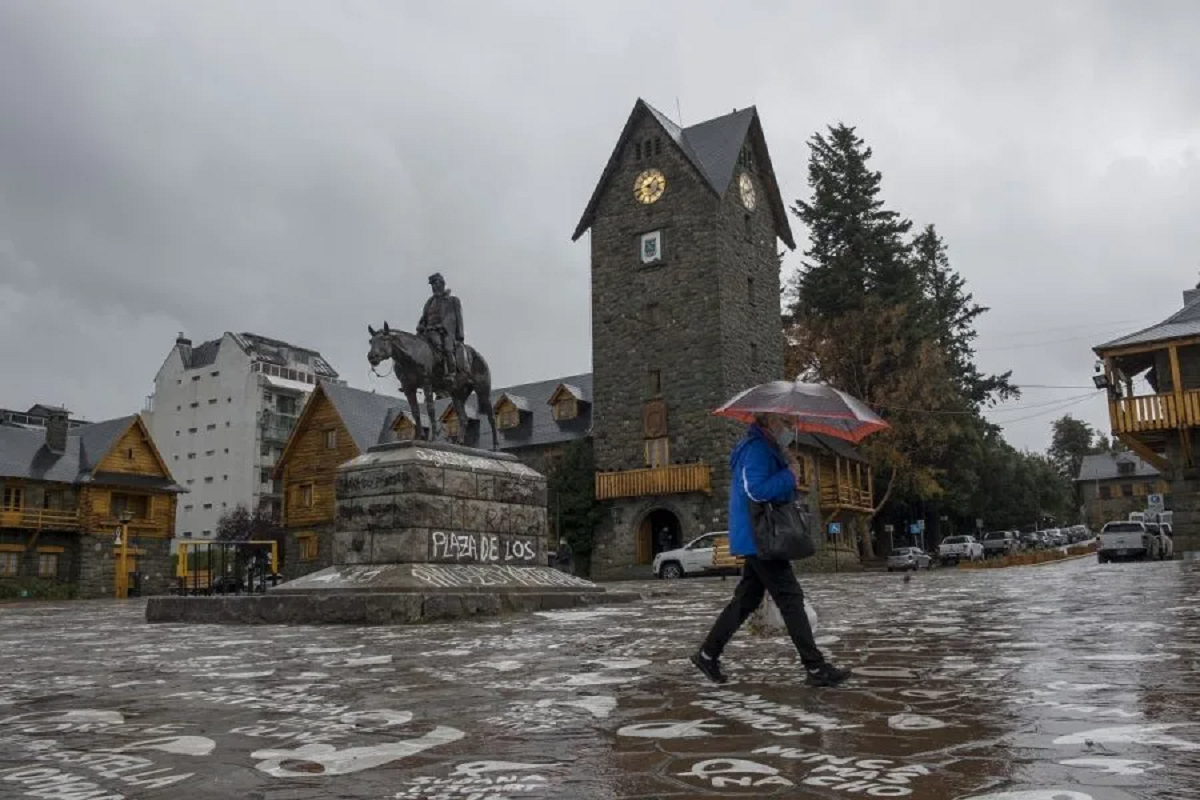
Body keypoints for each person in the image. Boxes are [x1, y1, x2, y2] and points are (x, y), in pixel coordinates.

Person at [691, 412, 853, 688]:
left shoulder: (766, 447)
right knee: (790, 598)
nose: (791, 427)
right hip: (761, 537)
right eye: (787, 422)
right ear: (769, 421)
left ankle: (708, 653)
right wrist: (788, 476)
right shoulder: (756, 449)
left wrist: (787, 466)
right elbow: (755, 490)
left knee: (746, 599)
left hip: (758, 535)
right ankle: (814, 667)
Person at [416, 272, 464, 380]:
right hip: (428, 332)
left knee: (447, 349)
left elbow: (458, 318)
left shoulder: (453, 300)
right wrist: (420, 326)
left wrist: (459, 336)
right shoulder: (429, 302)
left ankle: (451, 373)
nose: (434, 287)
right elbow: (423, 318)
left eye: (436, 283)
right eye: (432, 284)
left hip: (445, 332)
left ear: (442, 284)